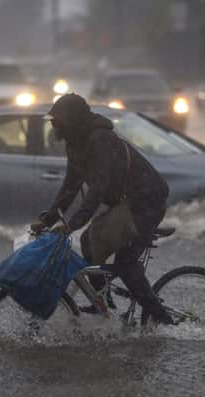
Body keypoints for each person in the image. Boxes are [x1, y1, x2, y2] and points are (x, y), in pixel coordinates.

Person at [31, 93, 174, 325]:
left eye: (57, 121)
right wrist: (48, 220)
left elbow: (97, 190)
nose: (53, 126)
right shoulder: (75, 142)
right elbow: (70, 187)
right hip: (126, 203)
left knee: (126, 263)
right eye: (52, 121)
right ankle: (103, 303)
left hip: (147, 201)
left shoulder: (100, 140)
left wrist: (70, 226)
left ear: (73, 120)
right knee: (89, 241)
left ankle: (163, 319)